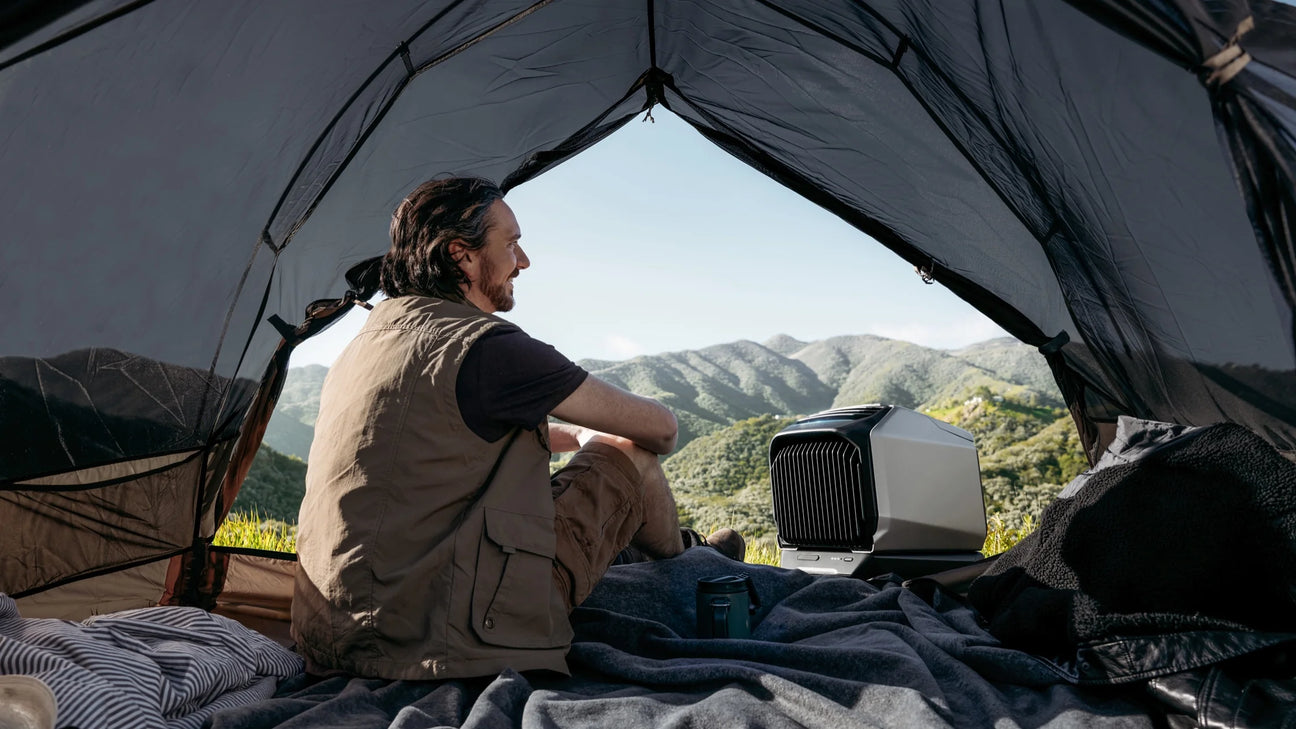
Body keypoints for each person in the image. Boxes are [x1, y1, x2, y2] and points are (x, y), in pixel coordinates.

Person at [291, 177, 744, 681]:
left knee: (575, 462)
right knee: (630, 454)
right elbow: (662, 430)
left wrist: (576, 438)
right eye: (511, 244)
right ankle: (694, 568)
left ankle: (650, 554)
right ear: (461, 255)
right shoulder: (488, 346)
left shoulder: (368, 344)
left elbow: (453, 436)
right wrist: (603, 442)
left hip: (335, 635)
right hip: (443, 640)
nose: (523, 261)